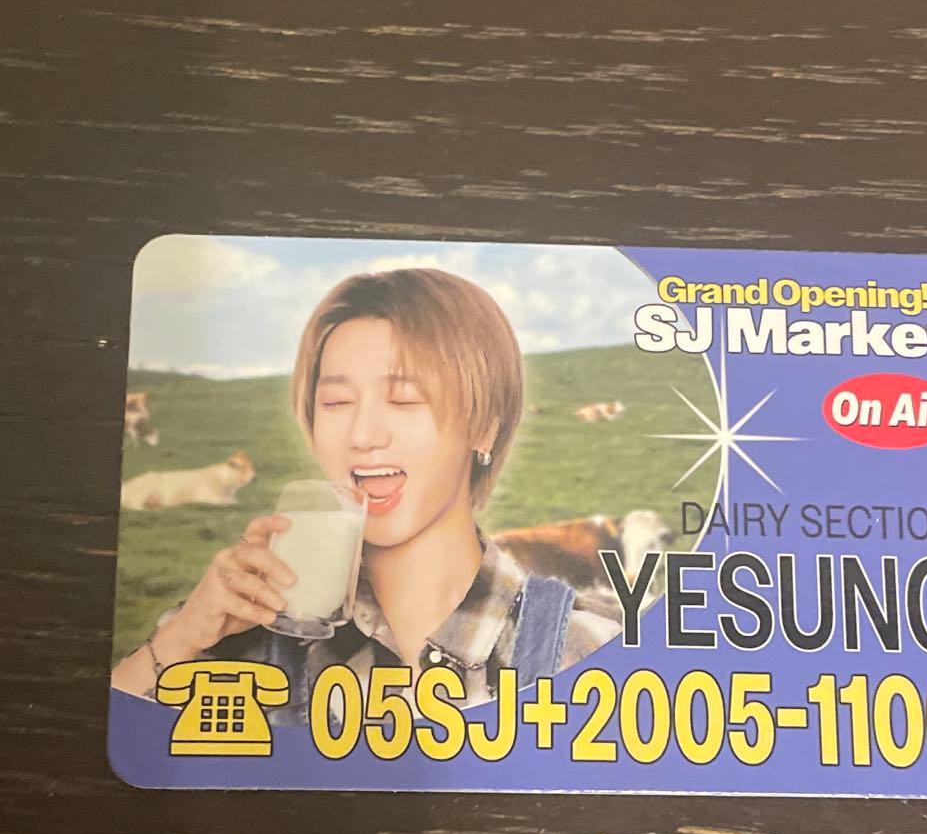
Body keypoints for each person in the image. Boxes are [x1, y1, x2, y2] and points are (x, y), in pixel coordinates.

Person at [111, 268, 620, 715]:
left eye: (404, 400)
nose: (362, 435)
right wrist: (181, 639)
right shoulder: (242, 639)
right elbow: (110, 746)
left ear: (484, 426)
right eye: (336, 402)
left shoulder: (585, 646)